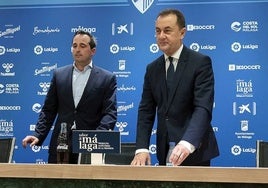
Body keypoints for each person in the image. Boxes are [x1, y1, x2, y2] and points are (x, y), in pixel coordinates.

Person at [131, 9, 219, 166]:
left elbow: (203, 108)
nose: (161, 36)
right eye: (158, 31)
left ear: (182, 33)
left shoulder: (200, 63)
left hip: (194, 150)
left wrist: (187, 143)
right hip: (164, 149)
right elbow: (146, 110)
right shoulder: (152, 69)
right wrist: (142, 148)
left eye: (167, 30)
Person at [22, 30, 117, 164]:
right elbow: (48, 110)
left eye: (82, 46)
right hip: (60, 147)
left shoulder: (106, 78)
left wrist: (96, 139)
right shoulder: (59, 75)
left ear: (93, 51)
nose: (77, 49)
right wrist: (38, 134)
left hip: (89, 148)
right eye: (74, 45)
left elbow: (110, 113)